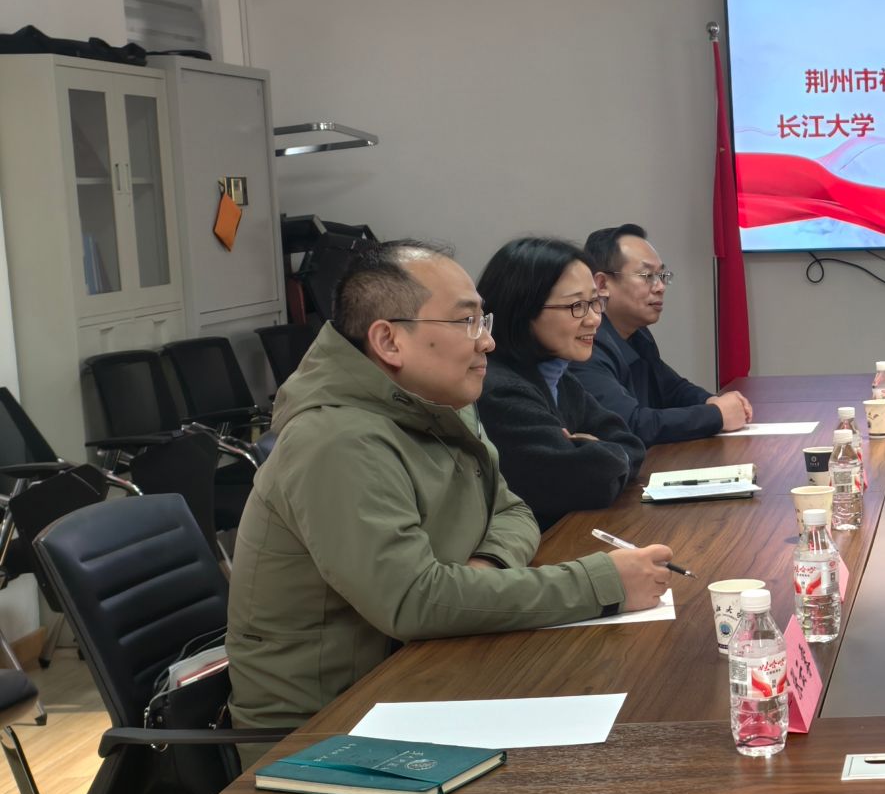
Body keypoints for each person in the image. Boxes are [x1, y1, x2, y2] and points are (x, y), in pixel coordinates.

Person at [226, 241, 673, 751]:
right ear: (389, 341)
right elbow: (415, 601)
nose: (488, 342)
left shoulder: (440, 401)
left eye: (484, 320)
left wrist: (483, 569)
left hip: (420, 678)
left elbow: (512, 509)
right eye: (467, 322)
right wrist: (600, 583)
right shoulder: (336, 441)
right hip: (324, 731)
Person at [476, 236, 648, 530]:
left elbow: (631, 443)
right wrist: (603, 453)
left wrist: (598, 451)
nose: (594, 319)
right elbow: (588, 481)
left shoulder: (558, 377)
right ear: (523, 309)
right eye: (576, 305)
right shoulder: (500, 391)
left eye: (594, 302)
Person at [571, 223, 752, 443]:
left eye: (662, 275)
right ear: (602, 284)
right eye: (647, 275)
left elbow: (672, 389)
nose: (660, 287)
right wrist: (716, 415)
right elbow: (629, 425)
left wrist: (713, 401)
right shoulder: (586, 344)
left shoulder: (638, 334)